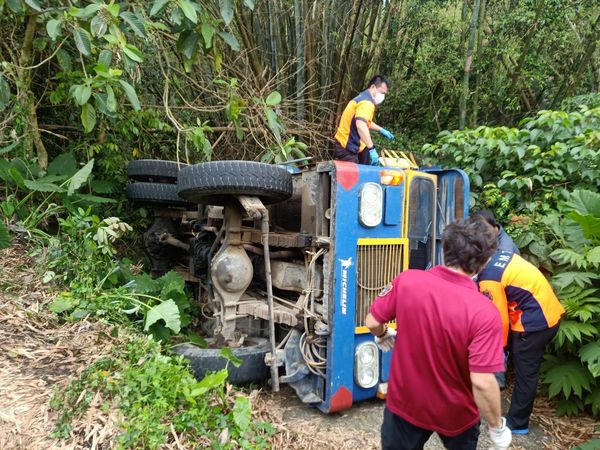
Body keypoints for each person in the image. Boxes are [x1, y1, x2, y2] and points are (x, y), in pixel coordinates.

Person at [365, 217, 512, 450]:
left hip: (406, 403)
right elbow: (483, 381)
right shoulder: (485, 313)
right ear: (484, 262)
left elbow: (372, 321)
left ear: (444, 248)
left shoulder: (408, 280)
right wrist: (497, 427)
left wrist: (382, 334)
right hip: (457, 414)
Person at [478, 250, 565, 434]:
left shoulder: (490, 277)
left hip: (534, 325)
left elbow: (498, 320)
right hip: (549, 313)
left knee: (526, 372)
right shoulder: (501, 255)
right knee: (525, 368)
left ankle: (517, 423)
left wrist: (496, 350)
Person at [334, 75, 394, 165]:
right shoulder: (366, 103)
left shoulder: (362, 98)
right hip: (347, 148)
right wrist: (372, 149)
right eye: (382, 93)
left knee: (366, 167)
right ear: (373, 87)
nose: (382, 96)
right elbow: (361, 125)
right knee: (357, 177)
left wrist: (381, 130)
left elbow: (365, 121)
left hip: (355, 145)